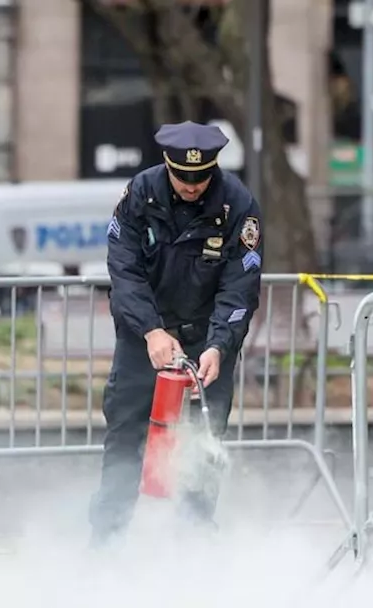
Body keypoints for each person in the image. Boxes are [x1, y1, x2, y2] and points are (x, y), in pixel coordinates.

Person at [89, 120, 265, 548]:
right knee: (126, 433)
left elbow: (240, 284)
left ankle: (194, 541)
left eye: (200, 177)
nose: (191, 186)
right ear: (167, 166)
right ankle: (106, 540)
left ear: (213, 168)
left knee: (204, 441)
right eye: (182, 177)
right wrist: (151, 331)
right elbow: (124, 271)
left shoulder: (238, 204)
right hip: (144, 340)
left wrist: (220, 346)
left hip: (207, 343)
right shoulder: (140, 195)